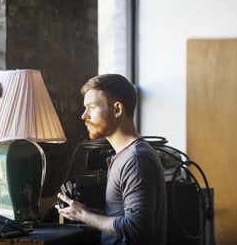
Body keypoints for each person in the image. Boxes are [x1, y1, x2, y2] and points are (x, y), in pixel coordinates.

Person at [56, 74, 167, 245]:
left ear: (117, 110)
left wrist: (84, 216)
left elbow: (136, 229)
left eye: (91, 107)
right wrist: (88, 214)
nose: (84, 115)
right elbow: (125, 218)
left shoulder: (136, 159)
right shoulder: (127, 155)